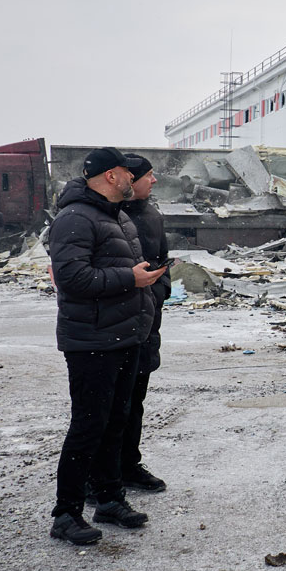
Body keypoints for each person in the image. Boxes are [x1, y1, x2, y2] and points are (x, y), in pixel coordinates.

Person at [46, 147, 164, 546]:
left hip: (125, 336)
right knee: (88, 426)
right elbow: (73, 279)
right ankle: (66, 513)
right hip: (92, 340)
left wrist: (144, 281)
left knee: (117, 420)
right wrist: (131, 279)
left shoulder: (118, 216)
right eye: (127, 174)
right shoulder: (75, 218)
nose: (134, 178)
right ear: (112, 176)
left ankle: (110, 499)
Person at [116, 154, 170, 493]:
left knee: (135, 400)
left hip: (147, 323)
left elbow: (163, 261)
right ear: (127, 179)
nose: (155, 181)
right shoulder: (108, 216)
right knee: (109, 406)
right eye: (148, 175)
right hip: (116, 326)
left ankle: (128, 465)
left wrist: (157, 294)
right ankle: (100, 475)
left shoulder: (152, 215)